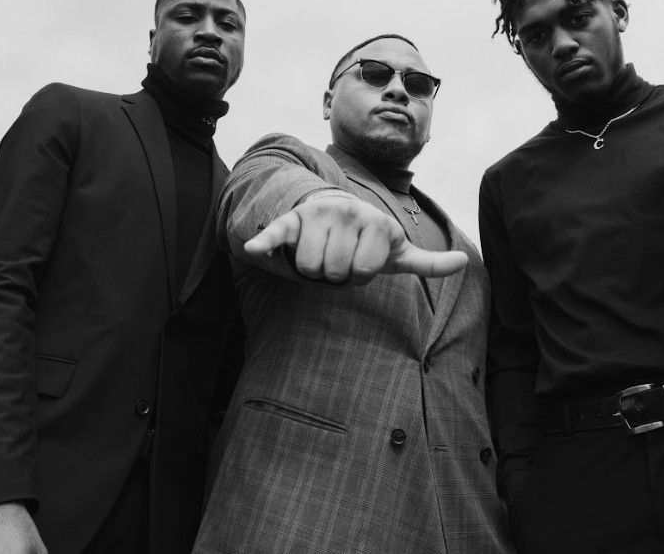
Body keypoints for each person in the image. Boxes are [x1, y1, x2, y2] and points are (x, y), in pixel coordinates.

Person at [0, 0, 246, 554]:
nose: (210, 32)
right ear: (151, 39)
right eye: (188, 16)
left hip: (164, 524)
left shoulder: (237, 196)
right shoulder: (71, 113)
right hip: (29, 495)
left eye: (228, 24)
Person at [480, 0, 664, 554]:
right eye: (536, 35)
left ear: (619, 12)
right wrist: (522, 486)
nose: (562, 44)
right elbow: (514, 345)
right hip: (578, 482)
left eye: (578, 18)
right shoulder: (507, 181)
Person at [193, 34, 513, 553]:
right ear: (327, 101)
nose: (398, 90)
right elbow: (259, 191)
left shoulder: (468, 251)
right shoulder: (295, 166)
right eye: (374, 74)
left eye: (418, 84)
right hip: (304, 518)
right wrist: (315, 206)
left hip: (467, 525)